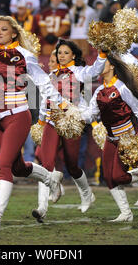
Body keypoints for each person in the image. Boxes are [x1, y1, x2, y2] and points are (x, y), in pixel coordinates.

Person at [0, 7, 65, 233]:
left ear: (14, 33)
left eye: (4, 29)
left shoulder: (25, 56)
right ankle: (50, 179)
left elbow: (44, 83)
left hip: (17, 116)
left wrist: (60, 104)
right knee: (17, 167)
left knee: (3, 165)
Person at [33, 39, 107, 222]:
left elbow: (96, 71)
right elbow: (45, 101)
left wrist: (103, 53)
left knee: (72, 165)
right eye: (59, 53)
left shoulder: (80, 72)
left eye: (66, 53)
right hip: (51, 121)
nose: (62, 56)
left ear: (73, 55)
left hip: (71, 123)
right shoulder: (51, 74)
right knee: (46, 163)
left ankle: (87, 194)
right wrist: (41, 122)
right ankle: (42, 207)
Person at [82, 54, 138, 222]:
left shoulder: (121, 87)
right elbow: (90, 115)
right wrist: (74, 115)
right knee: (108, 177)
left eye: (104, 63)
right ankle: (126, 213)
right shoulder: (98, 91)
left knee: (118, 176)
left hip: (127, 137)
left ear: (111, 67)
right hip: (110, 138)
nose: (100, 65)